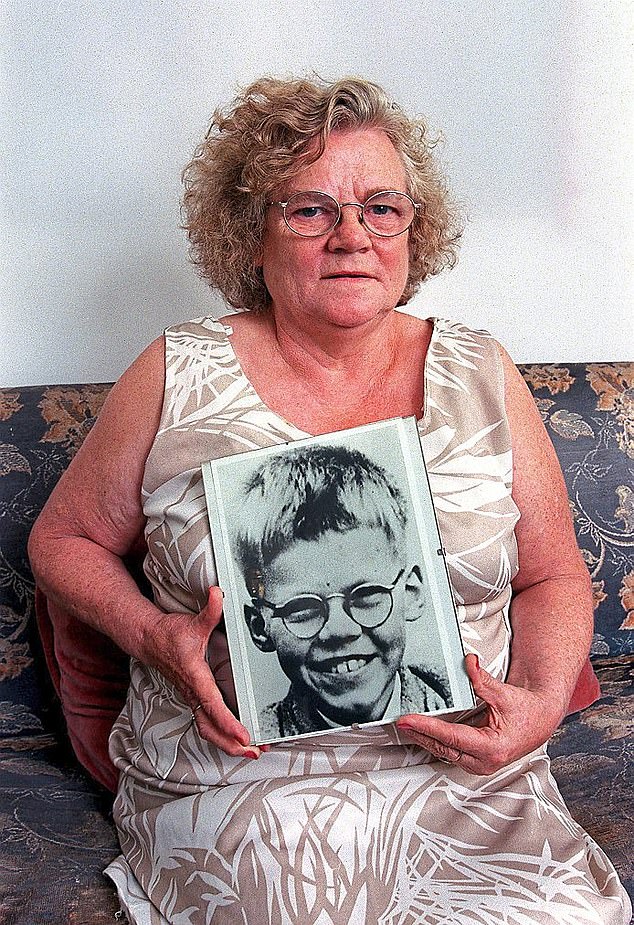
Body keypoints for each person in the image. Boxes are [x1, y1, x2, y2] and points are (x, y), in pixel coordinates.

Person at [28, 75, 631, 924]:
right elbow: (63, 541)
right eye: (310, 209)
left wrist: (535, 705)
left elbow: (556, 578)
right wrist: (155, 635)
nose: (353, 235)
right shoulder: (175, 371)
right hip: (246, 775)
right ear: (253, 233)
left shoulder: (482, 370)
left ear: (413, 231)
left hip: (461, 770)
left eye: (382, 208)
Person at [235, 443, 451, 738]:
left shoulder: (460, 697)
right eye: (303, 609)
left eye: (365, 596)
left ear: (411, 593)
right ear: (260, 628)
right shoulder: (252, 738)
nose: (340, 630)